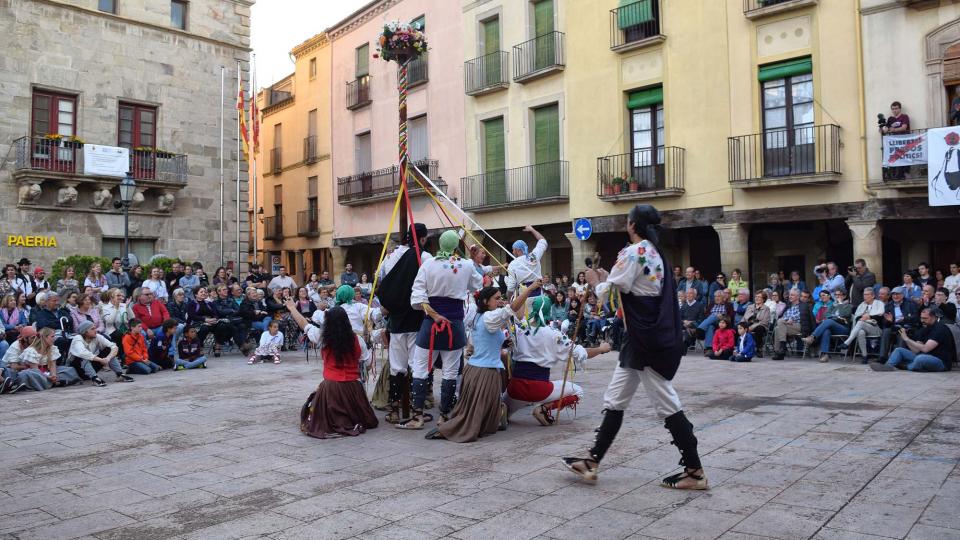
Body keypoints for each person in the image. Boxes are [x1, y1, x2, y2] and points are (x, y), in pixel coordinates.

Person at [562, 204, 708, 490]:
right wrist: (607, 279)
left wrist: (595, 281)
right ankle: (592, 461)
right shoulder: (655, 253)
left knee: (667, 402)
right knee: (615, 399)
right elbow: (630, 288)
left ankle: (695, 470)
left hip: (645, 341)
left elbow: (610, 295)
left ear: (632, 224)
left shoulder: (633, 252)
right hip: (641, 338)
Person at [426, 284, 544, 441]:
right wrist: (529, 289)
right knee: (473, 413)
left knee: (474, 410)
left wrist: (501, 344)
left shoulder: (480, 316)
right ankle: (450, 430)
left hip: (478, 370)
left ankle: (455, 427)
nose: (499, 300)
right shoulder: (489, 317)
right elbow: (512, 309)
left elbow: (482, 341)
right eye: (496, 298)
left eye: (500, 297)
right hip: (483, 372)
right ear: (485, 301)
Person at [400, 229, 482, 429]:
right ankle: (444, 416)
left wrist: (435, 315)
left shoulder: (428, 264)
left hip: (431, 323)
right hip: (455, 324)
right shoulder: (467, 265)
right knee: (450, 371)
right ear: (456, 246)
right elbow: (477, 284)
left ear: (439, 245)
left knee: (420, 368)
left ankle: (417, 416)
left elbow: (417, 296)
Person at [376, 223, 431, 425]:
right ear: (423, 239)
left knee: (397, 367)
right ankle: (418, 411)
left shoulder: (390, 258)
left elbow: (381, 282)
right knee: (417, 366)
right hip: (416, 319)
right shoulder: (424, 257)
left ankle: (394, 409)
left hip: (396, 321)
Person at [297, 306, 379, 439]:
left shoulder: (321, 337)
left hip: (330, 388)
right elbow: (368, 363)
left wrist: (291, 308)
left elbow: (305, 325)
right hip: (354, 388)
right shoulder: (358, 340)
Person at [872, 307, 956, 372]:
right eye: (921, 318)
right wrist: (905, 339)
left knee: (920, 358)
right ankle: (888, 366)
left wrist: (907, 339)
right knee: (899, 350)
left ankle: (906, 366)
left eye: (925, 318)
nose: (922, 320)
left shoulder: (940, 329)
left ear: (933, 317)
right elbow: (916, 350)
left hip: (940, 362)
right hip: (924, 356)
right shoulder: (924, 328)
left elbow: (925, 349)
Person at [16, 327, 81, 390]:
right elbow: (35, 370)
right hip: (37, 373)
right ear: (44, 338)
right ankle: (52, 383)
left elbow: (53, 365)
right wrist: (48, 377)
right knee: (26, 375)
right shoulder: (31, 351)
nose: (54, 338)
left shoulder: (52, 348)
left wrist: (53, 376)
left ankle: (53, 382)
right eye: (52, 336)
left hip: (48, 371)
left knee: (69, 370)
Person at [69, 320, 130, 386]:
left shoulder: (97, 336)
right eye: (92, 329)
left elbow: (114, 347)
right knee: (84, 356)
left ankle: (120, 374)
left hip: (89, 368)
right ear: (85, 332)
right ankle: (94, 378)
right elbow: (82, 353)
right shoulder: (77, 338)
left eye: (95, 328)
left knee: (108, 349)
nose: (96, 330)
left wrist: (108, 359)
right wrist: (101, 360)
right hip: (76, 371)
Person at [505, 225, 548, 313]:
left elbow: (511, 288)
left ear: (517, 250)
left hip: (524, 297)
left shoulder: (513, 264)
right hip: (539, 295)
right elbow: (543, 241)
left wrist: (509, 301)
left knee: (526, 322)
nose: (512, 252)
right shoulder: (533, 257)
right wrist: (532, 230)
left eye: (513, 250)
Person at [803, 288, 853, 363]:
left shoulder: (848, 306)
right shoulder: (833, 305)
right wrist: (836, 317)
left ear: (844, 296)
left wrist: (839, 304)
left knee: (829, 321)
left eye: (839, 295)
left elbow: (843, 314)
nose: (837, 296)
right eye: (836, 295)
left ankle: (812, 337)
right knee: (826, 330)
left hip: (844, 328)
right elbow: (826, 314)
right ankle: (825, 354)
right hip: (833, 327)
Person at [839, 287, 885, 363]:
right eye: (864, 295)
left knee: (861, 323)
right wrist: (864, 318)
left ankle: (847, 342)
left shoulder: (879, 303)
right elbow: (856, 318)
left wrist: (868, 317)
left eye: (867, 294)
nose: (865, 296)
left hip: (876, 329)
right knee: (860, 332)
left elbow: (880, 317)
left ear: (873, 296)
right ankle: (864, 356)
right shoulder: (862, 305)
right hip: (863, 326)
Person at [878, 286, 919, 363]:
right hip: (894, 325)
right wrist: (889, 321)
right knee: (886, 331)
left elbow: (916, 318)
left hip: (906, 326)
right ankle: (882, 357)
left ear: (903, 295)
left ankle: (899, 358)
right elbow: (884, 323)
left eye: (898, 294)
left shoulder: (910, 303)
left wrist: (904, 319)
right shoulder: (889, 305)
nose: (895, 296)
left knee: (901, 332)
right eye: (893, 294)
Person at [771, 288, 812, 360]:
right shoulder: (788, 305)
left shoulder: (804, 305)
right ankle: (779, 351)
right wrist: (787, 320)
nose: (790, 296)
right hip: (786, 325)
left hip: (799, 325)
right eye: (790, 294)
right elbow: (783, 316)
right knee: (777, 328)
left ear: (798, 296)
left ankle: (781, 349)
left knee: (780, 323)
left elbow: (803, 316)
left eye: (792, 295)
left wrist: (792, 319)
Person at [697, 290, 733, 355]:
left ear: (723, 297)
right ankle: (709, 348)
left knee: (714, 315)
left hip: (722, 322)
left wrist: (722, 316)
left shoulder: (729, 305)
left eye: (719, 296)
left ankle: (700, 328)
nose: (717, 298)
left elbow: (731, 316)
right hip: (711, 322)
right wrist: (714, 315)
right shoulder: (711, 304)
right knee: (710, 326)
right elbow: (706, 315)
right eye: (715, 296)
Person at [742, 291, 771, 357]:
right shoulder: (750, 307)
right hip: (748, 325)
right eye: (756, 296)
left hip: (760, 326)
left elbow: (764, 322)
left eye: (759, 297)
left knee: (759, 328)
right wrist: (741, 325)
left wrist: (751, 328)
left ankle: (758, 348)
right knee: (737, 327)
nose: (757, 298)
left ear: (763, 299)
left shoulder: (766, 309)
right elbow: (744, 318)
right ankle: (739, 347)